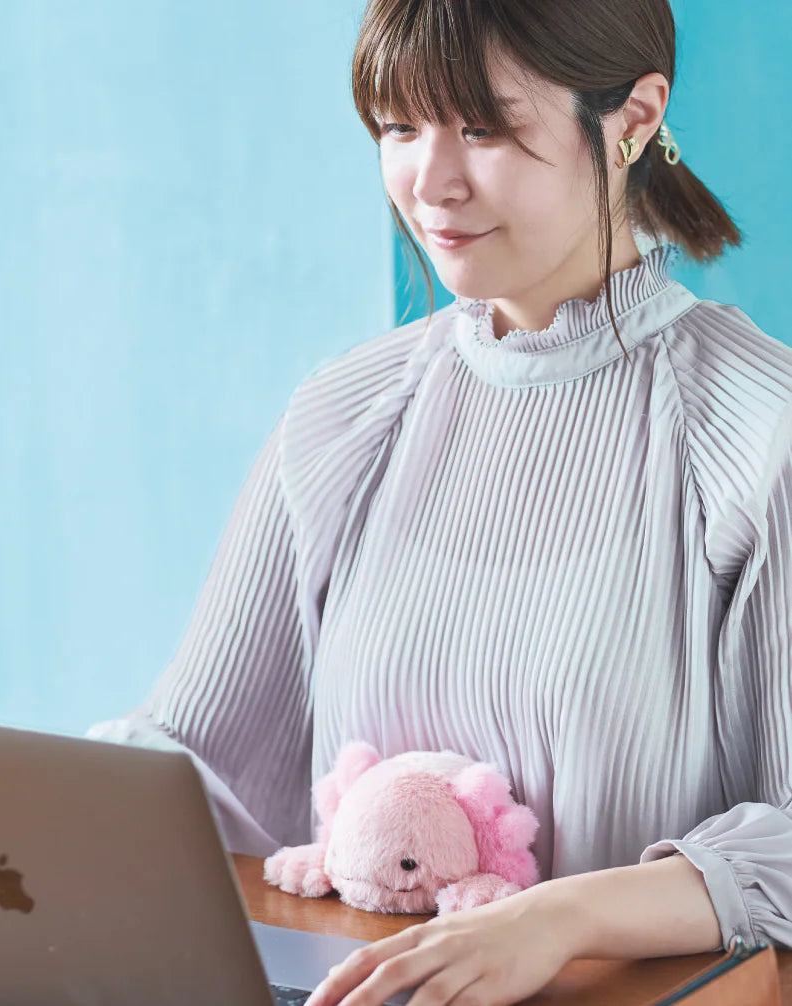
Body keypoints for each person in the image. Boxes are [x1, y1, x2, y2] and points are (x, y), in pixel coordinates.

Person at [93, 1, 792, 1003]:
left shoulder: (756, 430)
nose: (430, 181)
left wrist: (557, 916)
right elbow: (186, 770)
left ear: (634, 118)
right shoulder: (344, 413)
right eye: (397, 127)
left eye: (484, 127)